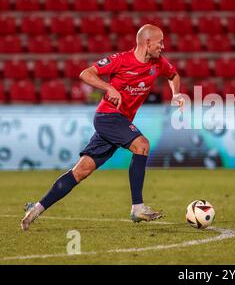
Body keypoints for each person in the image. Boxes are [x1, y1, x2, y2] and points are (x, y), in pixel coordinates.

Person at [21, 24, 185, 231]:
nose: (163, 46)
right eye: (160, 41)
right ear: (147, 42)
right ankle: (137, 208)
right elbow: (86, 73)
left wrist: (176, 93)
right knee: (142, 145)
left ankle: (35, 210)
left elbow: (173, 75)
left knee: (81, 171)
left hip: (119, 121)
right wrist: (109, 87)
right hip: (108, 116)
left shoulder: (158, 63)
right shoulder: (121, 60)